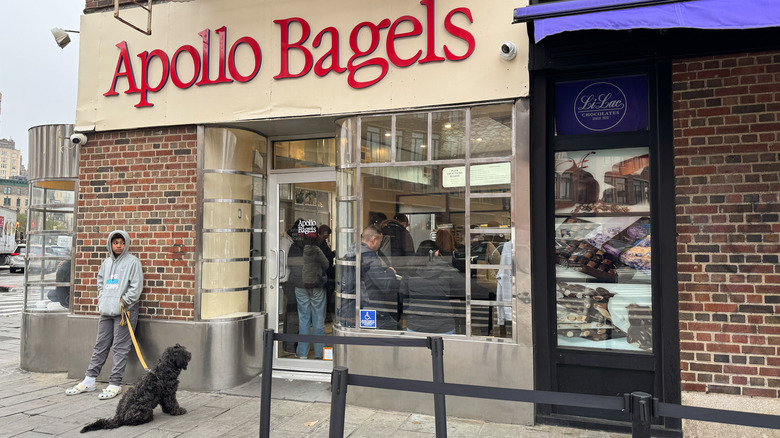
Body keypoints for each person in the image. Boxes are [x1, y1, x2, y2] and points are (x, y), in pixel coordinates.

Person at [65, 230, 143, 400]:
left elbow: (136, 287)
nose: (119, 246)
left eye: (122, 243)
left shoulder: (133, 262)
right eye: (115, 243)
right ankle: (89, 379)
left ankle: (115, 383)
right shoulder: (106, 263)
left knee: (120, 348)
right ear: (110, 244)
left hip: (125, 311)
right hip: (106, 311)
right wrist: (102, 300)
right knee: (100, 345)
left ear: (126, 244)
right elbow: (100, 282)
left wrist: (123, 302)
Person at [340, 227, 401, 330]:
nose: (380, 245)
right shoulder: (370, 256)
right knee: (396, 330)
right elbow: (384, 285)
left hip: (349, 308)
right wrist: (390, 272)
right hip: (368, 308)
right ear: (373, 240)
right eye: (380, 241)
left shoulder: (350, 254)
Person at [295, 232, 330, 359]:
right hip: (316, 286)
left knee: (303, 319)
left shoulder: (296, 248)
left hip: (300, 285)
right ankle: (319, 353)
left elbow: (291, 264)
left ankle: (302, 353)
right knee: (318, 319)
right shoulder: (316, 250)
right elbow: (326, 264)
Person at [316, 224, 336, 317]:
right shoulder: (320, 243)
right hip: (322, 273)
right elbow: (325, 258)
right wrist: (332, 254)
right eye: (328, 234)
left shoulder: (319, 242)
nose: (328, 236)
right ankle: (325, 314)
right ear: (324, 233)